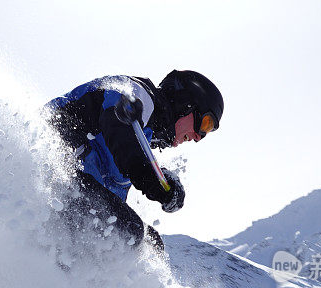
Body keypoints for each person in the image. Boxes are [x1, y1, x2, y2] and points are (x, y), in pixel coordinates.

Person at [46, 70, 223, 250]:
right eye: (205, 124)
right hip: (50, 163)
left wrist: (160, 180)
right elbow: (118, 130)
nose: (198, 137)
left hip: (65, 190)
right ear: (186, 103)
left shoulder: (143, 137)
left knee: (150, 244)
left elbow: (125, 164)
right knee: (129, 232)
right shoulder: (137, 94)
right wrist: (148, 176)